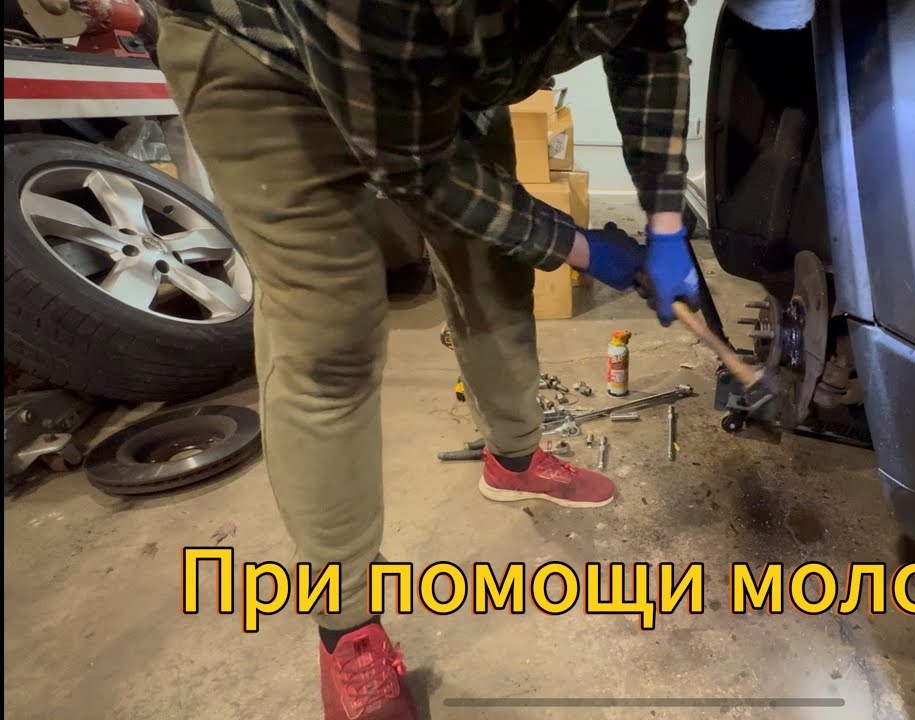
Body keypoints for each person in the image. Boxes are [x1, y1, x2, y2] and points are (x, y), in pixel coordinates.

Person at [153, 0, 702, 718]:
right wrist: (581, 248)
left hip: (440, 71)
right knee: (329, 340)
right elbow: (416, 170)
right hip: (263, 59)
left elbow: (651, 44)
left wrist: (665, 219)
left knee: (492, 275)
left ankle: (514, 458)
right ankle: (346, 626)